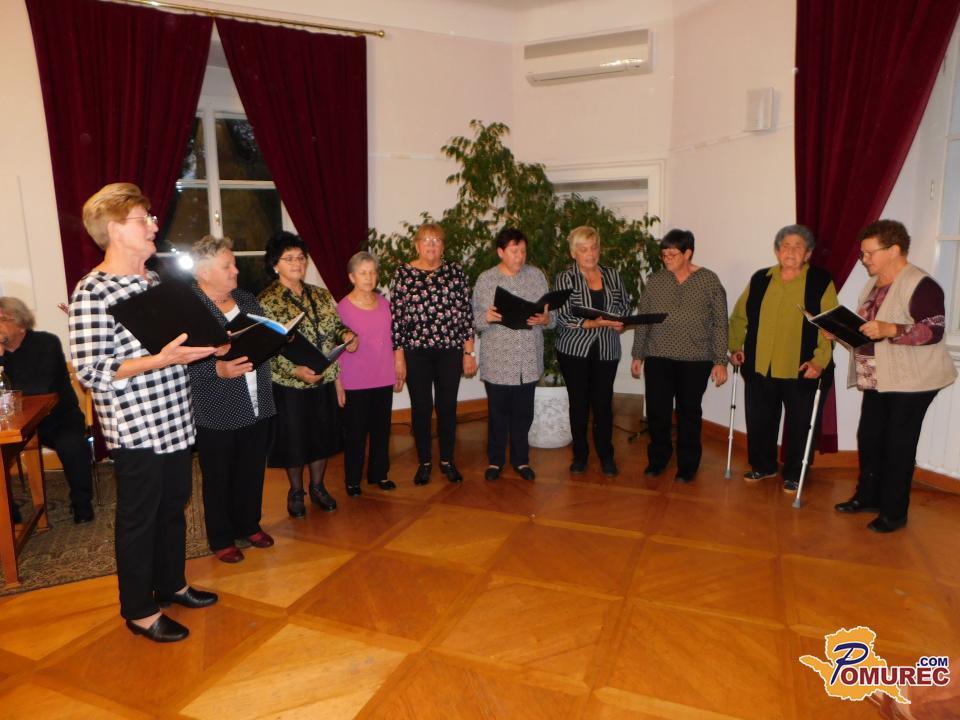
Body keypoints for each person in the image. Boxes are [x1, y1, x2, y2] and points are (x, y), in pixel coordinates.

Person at [69, 182, 219, 644]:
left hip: (174, 415)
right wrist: (160, 360)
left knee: (174, 506)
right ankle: (139, 609)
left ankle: (171, 584)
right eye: (144, 219)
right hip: (136, 426)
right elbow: (91, 370)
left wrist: (202, 347)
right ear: (116, 229)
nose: (154, 225)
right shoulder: (93, 291)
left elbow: (174, 345)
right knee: (140, 517)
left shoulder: (152, 281)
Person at [833, 220, 956, 533]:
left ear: (894, 250)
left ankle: (894, 512)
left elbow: (933, 330)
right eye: (862, 254)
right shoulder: (874, 284)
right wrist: (839, 330)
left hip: (913, 381)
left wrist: (891, 329)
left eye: (869, 253)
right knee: (870, 437)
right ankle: (868, 498)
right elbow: (865, 329)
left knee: (897, 445)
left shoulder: (922, 284)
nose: (864, 260)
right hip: (878, 376)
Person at [728, 224, 838, 492]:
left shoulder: (821, 281)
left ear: (808, 254)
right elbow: (740, 317)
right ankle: (763, 466)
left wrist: (819, 361)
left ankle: (795, 474)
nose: (791, 251)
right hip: (760, 366)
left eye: (798, 246)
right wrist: (735, 347)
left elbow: (830, 326)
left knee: (800, 425)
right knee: (760, 420)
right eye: (786, 246)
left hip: (802, 368)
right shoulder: (760, 279)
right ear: (777, 251)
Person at [188, 236, 276, 563]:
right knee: (219, 476)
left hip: (258, 399)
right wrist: (216, 369)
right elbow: (176, 362)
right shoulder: (190, 308)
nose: (236, 270)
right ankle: (221, 536)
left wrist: (279, 338)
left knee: (251, 469)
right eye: (227, 266)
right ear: (203, 271)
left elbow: (263, 339)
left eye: (234, 264)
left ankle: (249, 524)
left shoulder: (246, 299)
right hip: (216, 407)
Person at [258, 231, 355, 518]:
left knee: (321, 436)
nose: (297, 263)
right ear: (275, 264)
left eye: (301, 258)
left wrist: (347, 335)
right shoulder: (266, 301)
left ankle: (318, 487)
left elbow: (335, 327)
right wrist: (295, 370)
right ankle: (296, 491)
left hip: (323, 378)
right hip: (290, 383)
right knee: (295, 440)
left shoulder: (320, 295)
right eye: (289, 258)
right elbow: (265, 350)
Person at [630, 229, 728, 483]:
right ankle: (658, 459)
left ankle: (687, 465)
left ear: (688, 253)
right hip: (658, 356)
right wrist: (638, 354)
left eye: (672, 254)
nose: (666, 259)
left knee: (688, 414)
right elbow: (643, 320)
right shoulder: (656, 281)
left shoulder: (709, 280)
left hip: (695, 359)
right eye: (664, 255)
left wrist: (720, 361)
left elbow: (720, 323)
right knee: (657, 412)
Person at [390, 223, 476, 486]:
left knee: (448, 407)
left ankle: (447, 460)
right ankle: (425, 462)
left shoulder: (455, 271)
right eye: (426, 240)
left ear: (443, 246)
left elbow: (466, 314)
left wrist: (469, 352)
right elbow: (397, 320)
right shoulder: (403, 273)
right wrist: (399, 357)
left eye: (437, 240)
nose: (431, 245)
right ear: (417, 245)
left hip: (450, 350)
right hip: (416, 352)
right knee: (421, 407)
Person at [0, 297, 95, 523]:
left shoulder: (46, 342)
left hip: (58, 419)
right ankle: (9, 513)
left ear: (20, 323)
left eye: (2, 319)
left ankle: (81, 503)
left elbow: (39, 387)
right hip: (14, 425)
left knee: (72, 446)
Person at [473, 227, 553, 482]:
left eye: (523, 251)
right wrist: (485, 317)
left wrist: (546, 319)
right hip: (498, 359)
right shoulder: (486, 279)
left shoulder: (536, 276)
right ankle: (495, 461)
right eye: (514, 251)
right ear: (501, 252)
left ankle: (521, 460)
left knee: (523, 415)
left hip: (528, 359)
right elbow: (473, 319)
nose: (520, 257)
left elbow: (551, 316)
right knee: (497, 415)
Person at [553, 226, 630, 476]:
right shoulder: (565, 278)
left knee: (603, 404)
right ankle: (580, 456)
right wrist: (591, 323)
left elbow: (624, 306)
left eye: (594, 247)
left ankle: (606, 456)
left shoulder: (612, 274)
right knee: (578, 404)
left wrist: (621, 321)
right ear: (573, 253)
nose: (590, 253)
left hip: (607, 349)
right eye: (583, 249)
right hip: (574, 349)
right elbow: (562, 315)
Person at [337, 252, 401, 496]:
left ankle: (379, 474)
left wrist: (398, 365)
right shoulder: (342, 308)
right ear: (352, 277)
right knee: (355, 434)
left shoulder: (384, 304)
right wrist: (337, 383)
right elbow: (335, 349)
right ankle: (353, 480)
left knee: (381, 431)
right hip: (354, 380)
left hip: (383, 376)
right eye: (363, 273)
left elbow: (393, 339)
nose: (369, 277)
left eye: (373, 272)